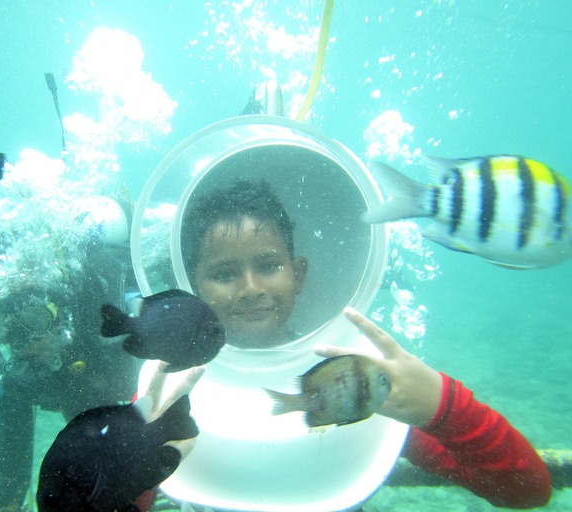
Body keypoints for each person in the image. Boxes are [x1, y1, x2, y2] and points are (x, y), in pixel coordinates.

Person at [148, 178, 551, 510]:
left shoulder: (356, 378)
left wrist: (442, 405)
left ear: (298, 273)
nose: (251, 288)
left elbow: (526, 489)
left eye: (269, 265)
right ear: (191, 286)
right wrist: (142, 451)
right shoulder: (171, 385)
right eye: (224, 273)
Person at [0, 198, 143, 512]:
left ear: (63, 311)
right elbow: (5, 472)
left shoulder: (110, 313)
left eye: (32, 319)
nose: (20, 343)